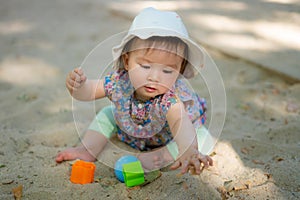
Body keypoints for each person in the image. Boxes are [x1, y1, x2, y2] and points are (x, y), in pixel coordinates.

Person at [56, 7, 213, 175]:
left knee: (205, 139)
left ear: (179, 71)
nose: (154, 77)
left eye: (167, 71)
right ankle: (88, 149)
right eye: (145, 66)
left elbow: (179, 122)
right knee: (107, 114)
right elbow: (90, 91)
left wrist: (188, 149)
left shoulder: (170, 98)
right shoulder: (120, 82)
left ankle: (161, 155)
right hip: (135, 128)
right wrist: (78, 87)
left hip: (171, 136)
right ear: (127, 60)